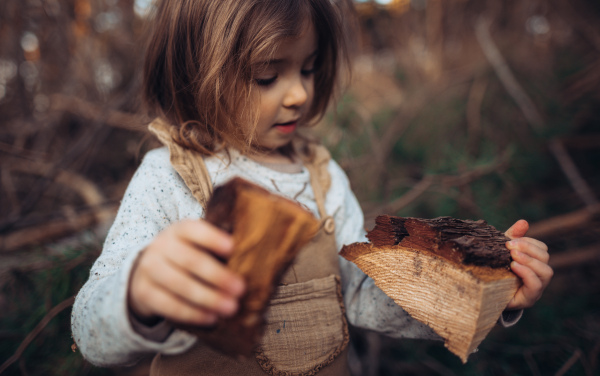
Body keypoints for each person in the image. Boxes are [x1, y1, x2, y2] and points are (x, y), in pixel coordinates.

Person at [71, 0, 553, 375]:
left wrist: (481, 294)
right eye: (267, 75)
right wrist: (138, 295)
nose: (299, 93)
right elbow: (90, 331)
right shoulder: (169, 178)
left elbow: (363, 293)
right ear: (197, 72)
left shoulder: (323, 178)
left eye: (307, 68)